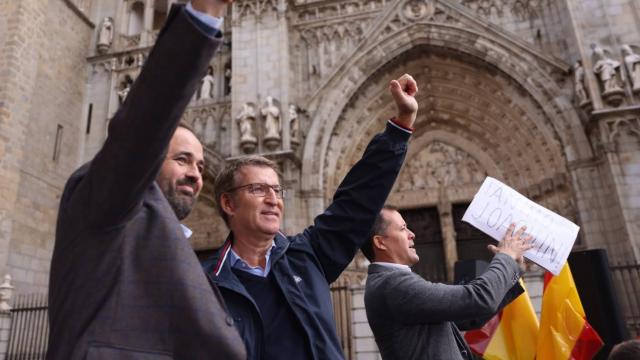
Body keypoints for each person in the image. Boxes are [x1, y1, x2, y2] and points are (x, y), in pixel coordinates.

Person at [47, 1, 246, 359]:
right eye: (182, 160)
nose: (196, 175)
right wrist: (202, 15)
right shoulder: (106, 204)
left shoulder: (162, 234)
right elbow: (141, 129)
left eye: (201, 166)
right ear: (149, 158)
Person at [201, 74, 419, 359]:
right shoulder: (204, 285)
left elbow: (356, 203)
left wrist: (400, 126)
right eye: (258, 189)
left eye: (278, 191)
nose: (273, 200)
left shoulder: (307, 256)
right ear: (228, 203)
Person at [362, 206, 532, 360]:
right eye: (402, 228)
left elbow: (470, 315)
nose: (412, 234)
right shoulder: (392, 284)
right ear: (380, 242)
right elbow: (478, 299)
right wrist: (506, 257)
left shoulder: (390, 282)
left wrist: (513, 268)